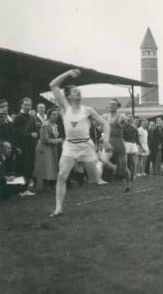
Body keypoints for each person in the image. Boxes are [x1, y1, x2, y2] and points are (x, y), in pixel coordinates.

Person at [49, 69, 111, 216]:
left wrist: (106, 140)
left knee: (94, 179)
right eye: (76, 91)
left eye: (80, 91)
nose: (79, 93)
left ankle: (100, 163)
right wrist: (68, 73)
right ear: (69, 96)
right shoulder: (65, 107)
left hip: (86, 146)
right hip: (70, 146)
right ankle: (58, 208)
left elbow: (105, 124)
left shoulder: (88, 110)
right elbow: (53, 85)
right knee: (62, 175)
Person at [102, 99, 131, 191]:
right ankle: (114, 167)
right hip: (110, 142)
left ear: (117, 106)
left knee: (124, 167)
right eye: (110, 104)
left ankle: (128, 184)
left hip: (119, 143)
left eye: (113, 104)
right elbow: (95, 118)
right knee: (102, 160)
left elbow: (124, 122)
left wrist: (125, 121)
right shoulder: (105, 116)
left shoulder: (120, 116)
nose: (111, 106)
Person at [33, 107, 63, 191]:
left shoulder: (54, 125)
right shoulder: (46, 125)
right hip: (44, 149)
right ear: (49, 115)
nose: (55, 116)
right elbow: (44, 139)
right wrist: (57, 141)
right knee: (46, 167)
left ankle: (49, 186)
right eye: (53, 114)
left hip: (51, 148)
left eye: (57, 114)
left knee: (51, 166)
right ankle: (45, 187)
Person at [13, 97, 38, 196]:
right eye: (26, 104)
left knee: (30, 166)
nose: (28, 106)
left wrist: (36, 134)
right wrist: (30, 135)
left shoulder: (31, 117)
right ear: (21, 105)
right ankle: (20, 190)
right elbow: (16, 133)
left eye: (29, 105)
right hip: (23, 146)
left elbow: (35, 130)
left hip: (31, 145)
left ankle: (25, 188)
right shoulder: (18, 118)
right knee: (23, 166)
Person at [123, 115, 141, 182]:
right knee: (126, 162)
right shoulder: (124, 125)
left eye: (131, 117)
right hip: (126, 143)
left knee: (133, 162)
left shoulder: (134, 126)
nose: (130, 118)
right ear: (126, 118)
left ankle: (132, 177)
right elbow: (121, 135)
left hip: (133, 144)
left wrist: (134, 126)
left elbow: (136, 133)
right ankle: (125, 177)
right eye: (128, 117)